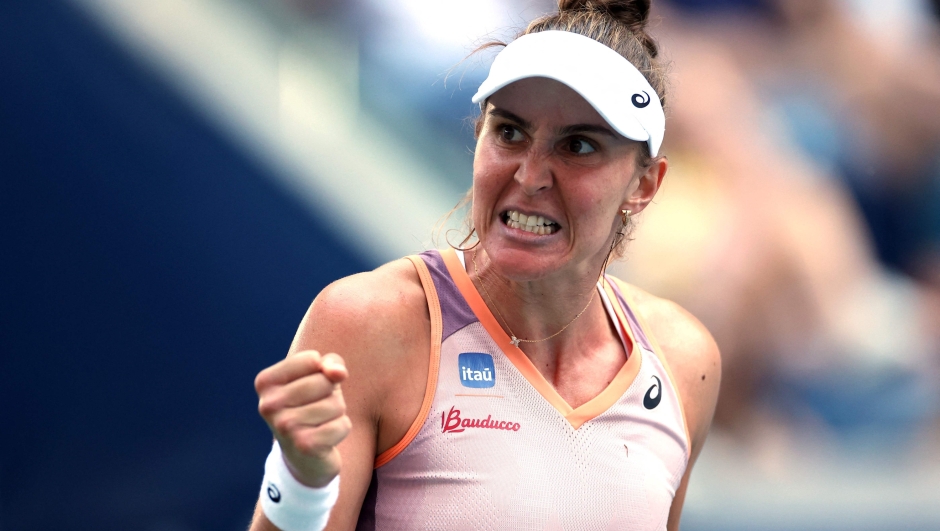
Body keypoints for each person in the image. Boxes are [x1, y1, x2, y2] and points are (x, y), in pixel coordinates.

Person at [249, 1, 721, 530]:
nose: (531, 175)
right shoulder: (368, 324)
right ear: (478, 137)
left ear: (644, 185)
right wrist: (302, 483)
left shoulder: (684, 361)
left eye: (578, 145)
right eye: (511, 132)